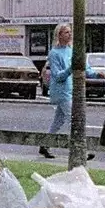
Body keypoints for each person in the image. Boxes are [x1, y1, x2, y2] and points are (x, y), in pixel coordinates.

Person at [40, 23, 73, 158]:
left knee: (58, 121)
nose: (69, 35)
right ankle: (78, 148)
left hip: (70, 89)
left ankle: (45, 145)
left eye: (70, 32)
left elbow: (85, 67)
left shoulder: (71, 50)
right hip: (61, 91)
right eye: (66, 32)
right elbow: (57, 75)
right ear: (59, 35)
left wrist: (96, 73)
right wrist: (70, 69)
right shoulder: (54, 53)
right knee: (73, 118)